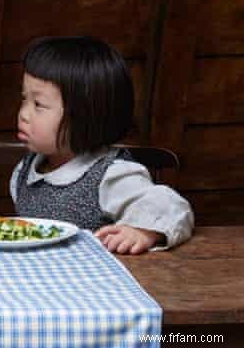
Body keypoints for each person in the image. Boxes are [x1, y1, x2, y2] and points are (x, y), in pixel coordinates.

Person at [11, 36, 194, 254]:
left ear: (85, 115)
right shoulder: (24, 172)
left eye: (38, 104)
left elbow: (170, 208)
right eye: (24, 99)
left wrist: (143, 232)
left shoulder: (110, 174)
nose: (23, 115)